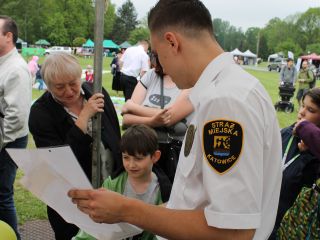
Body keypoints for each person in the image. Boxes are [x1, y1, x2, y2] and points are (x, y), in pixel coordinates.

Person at [68, 1, 282, 239]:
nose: (159, 65)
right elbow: (192, 203)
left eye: (158, 55)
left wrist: (127, 209)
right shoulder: (227, 91)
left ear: (172, 42)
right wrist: (123, 213)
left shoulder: (225, 101)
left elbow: (232, 232)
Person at [29, 53, 122, 240]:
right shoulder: (40, 113)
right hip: (72, 200)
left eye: (73, 82)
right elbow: (60, 162)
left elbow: (115, 136)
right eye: (60, 87)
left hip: (110, 187)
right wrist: (83, 119)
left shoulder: (96, 92)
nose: (70, 91)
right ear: (47, 86)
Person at [73, 124, 172, 240]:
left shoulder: (165, 192)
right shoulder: (111, 185)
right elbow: (93, 227)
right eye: (126, 157)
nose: (131, 165)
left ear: (155, 156)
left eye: (138, 158)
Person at [121, 53, 194, 182]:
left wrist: (132, 107)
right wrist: (152, 121)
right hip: (141, 156)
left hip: (174, 160)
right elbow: (126, 120)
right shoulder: (150, 76)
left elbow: (170, 117)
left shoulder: (191, 81)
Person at [269, 87, 320, 239]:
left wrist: (306, 156)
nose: (302, 112)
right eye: (302, 105)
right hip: (266, 218)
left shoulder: (315, 155)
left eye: (310, 109)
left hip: (292, 227)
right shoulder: (285, 134)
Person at [0, 16, 32, 240]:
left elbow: (17, 116)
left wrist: (0, 143)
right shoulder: (3, 63)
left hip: (8, 140)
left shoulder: (16, 69)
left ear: (8, 36)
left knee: (2, 195)